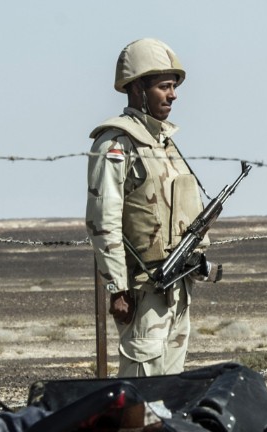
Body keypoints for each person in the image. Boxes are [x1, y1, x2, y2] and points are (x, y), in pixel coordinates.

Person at [85, 38, 208, 377]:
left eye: (174, 87)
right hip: (142, 292)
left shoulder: (166, 144)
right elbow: (103, 219)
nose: (173, 95)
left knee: (171, 394)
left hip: (178, 288)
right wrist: (116, 288)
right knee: (140, 394)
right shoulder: (115, 142)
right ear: (138, 88)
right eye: (164, 87)